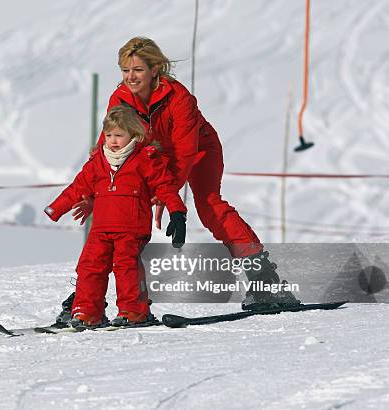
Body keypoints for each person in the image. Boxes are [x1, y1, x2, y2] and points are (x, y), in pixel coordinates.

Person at [55, 37, 300, 323]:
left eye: (137, 70)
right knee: (118, 212)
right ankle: (85, 301)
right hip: (151, 157)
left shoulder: (179, 97)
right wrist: (94, 194)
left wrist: (165, 191)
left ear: (155, 69)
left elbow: (184, 152)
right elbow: (108, 150)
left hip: (199, 150)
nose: (130, 77)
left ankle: (265, 280)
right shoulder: (120, 98)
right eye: (124, 70)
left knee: (209, 206)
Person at [44, 104, 187, 328]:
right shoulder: (98, 162)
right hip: (100, 229)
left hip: (131, 228)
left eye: (119, 135)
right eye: (109, 135)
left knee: (125, 267)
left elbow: (165, 187)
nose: (113, 140)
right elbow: (77, 187)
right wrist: (55, 208)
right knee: (89, 266)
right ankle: (88, 312)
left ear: (134, 134)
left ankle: (135, 311)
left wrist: (177, 212)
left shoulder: (145, 159)